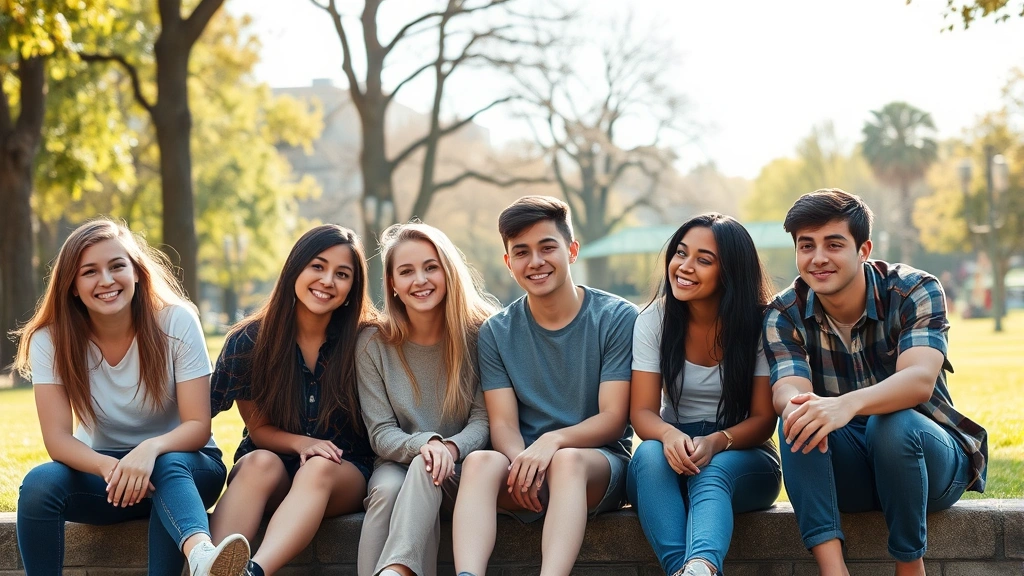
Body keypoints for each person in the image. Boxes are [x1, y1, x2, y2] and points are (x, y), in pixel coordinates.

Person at [762, 189, 988, 576]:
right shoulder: (784, 312)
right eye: (806, 246)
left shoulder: (913, 290)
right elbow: (786, 387)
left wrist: (846, 404)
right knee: (797, 416)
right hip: (850, 472)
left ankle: (909, 566)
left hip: (927, 465)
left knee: (893, 422)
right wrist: (797, 403)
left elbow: (918, 381)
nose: (818, 258)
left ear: (863, 249)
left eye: (834, 244)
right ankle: (834, 572)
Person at [14, 218, 250, 576]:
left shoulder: (175, 321)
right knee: (38, 485)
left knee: (168, 462)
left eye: (117, 266)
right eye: (89, 271)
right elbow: (58, 439)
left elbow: (198, 425)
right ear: (73, 287)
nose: (106, 280)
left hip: (186, 469)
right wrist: (110, 467)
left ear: (137, 273)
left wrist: (149, 450)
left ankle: (202, 556)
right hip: (107, 478)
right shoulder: (51, 339)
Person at [451, 196, 637, 576]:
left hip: (595, 464)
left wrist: (550, 443)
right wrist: (524, 463)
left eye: (547, 247)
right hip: (525, 466)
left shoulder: (617, 318)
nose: (535, 262)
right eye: (521, 252)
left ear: (571, 250)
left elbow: (614, 418)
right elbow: (502, 424)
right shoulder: (496, 332)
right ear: (508, 263)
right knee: (479, 461)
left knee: (566, 461)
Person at [208, 225, 376, 576]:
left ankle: (254, 571)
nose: (328, 280)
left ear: (351, 289)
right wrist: (304, 443)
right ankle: (210, 569)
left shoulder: (367, 341)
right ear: (295, 269)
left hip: (341, 472)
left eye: (342, 274)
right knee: (258, 463)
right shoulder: (249, 341)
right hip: (274, 470)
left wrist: (317, 450)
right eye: (318, 266)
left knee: (319, 465)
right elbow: (256, 427)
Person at [627, 214, 781, 576]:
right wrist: (669, 435)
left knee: (714, 470)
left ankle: (700, 567)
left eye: (703, 259)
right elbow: (643, 413)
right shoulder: (654, 320)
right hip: (671, 456)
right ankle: (690, 571)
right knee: (649, 453)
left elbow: (763, 420)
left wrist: (716, 442)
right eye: (681, 253)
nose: (684, 266)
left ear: (730, 271)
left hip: (743, 456)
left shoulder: (762, 324)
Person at [356, 222, 496, 576]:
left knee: (427, 467)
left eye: (430, 267)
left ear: (448, 271)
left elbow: (483, 420)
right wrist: (425, 444)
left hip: (463, 466)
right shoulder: (373, 343)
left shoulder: (481, 334)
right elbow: (381, 432)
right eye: (406, 271)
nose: (420, 280)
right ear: (392, 284)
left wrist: (446, 448)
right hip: (396, 461)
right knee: (387, 491)